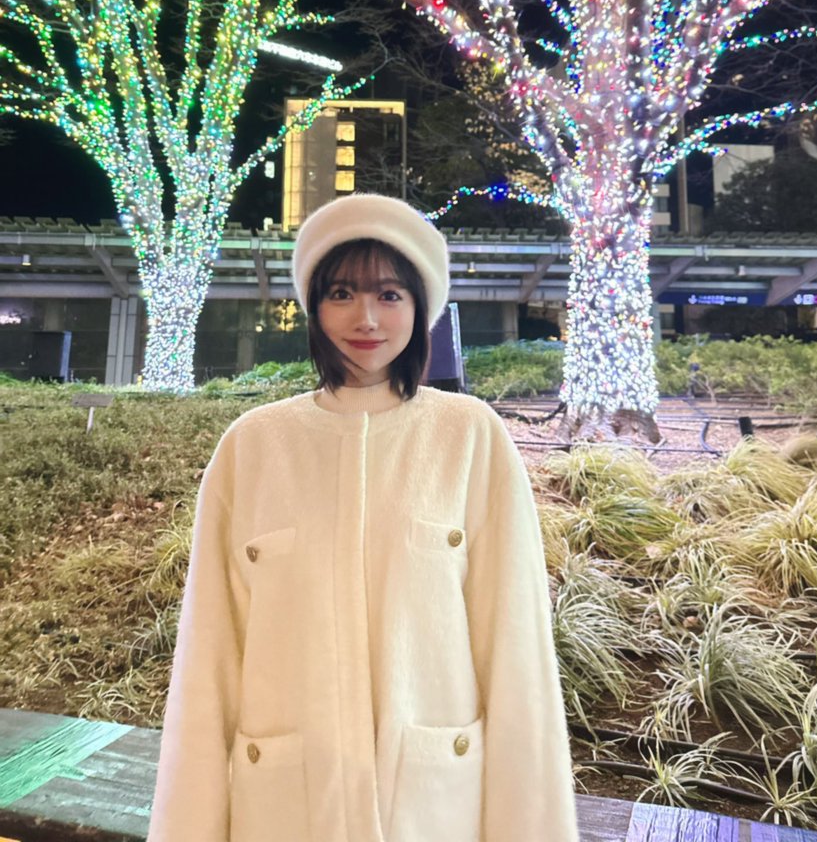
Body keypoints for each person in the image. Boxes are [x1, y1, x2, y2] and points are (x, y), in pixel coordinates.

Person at [147, 194, 579, 842]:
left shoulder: (469, 438)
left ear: (420, 308)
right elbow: (207, 666)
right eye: (343, 292)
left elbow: (518, 662)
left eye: (390, 294)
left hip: (434, 813)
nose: (367, 317)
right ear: (314, 306)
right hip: (285, 812)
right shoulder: (253, 447)